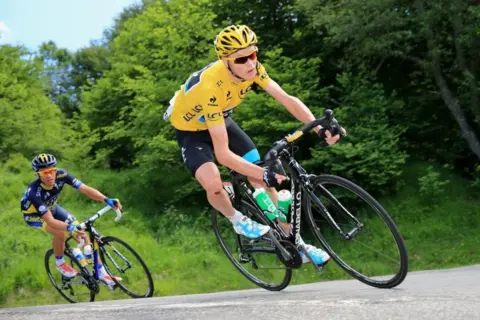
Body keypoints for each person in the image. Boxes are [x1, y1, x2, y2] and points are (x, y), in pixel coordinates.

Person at [164, 25, 344, 265]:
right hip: (192, 132)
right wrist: (263, 172)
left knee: (268, 182)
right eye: (241, 59)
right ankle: (237, 220)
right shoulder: (210, 87)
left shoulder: (254, 69)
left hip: (221, 120)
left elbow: (286, 99)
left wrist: (318, 126)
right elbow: (223, 154)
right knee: (214, 184)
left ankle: (297, 243)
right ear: (226, 61)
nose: (250, 63)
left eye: (253, 54)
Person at [21, 153, 122, 286]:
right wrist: (69, 227)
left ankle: (102, 274)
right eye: (45, 173)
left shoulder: (61, 175)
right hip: (35, 215)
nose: (50, 175)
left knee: (83, 233)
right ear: (37, 175)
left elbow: (85, 189)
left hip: (53, 207)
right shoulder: (34, 192)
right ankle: (60, 263)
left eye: (52, 171)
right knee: (60, 232)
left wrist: (106, 199)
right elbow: (50, 221)